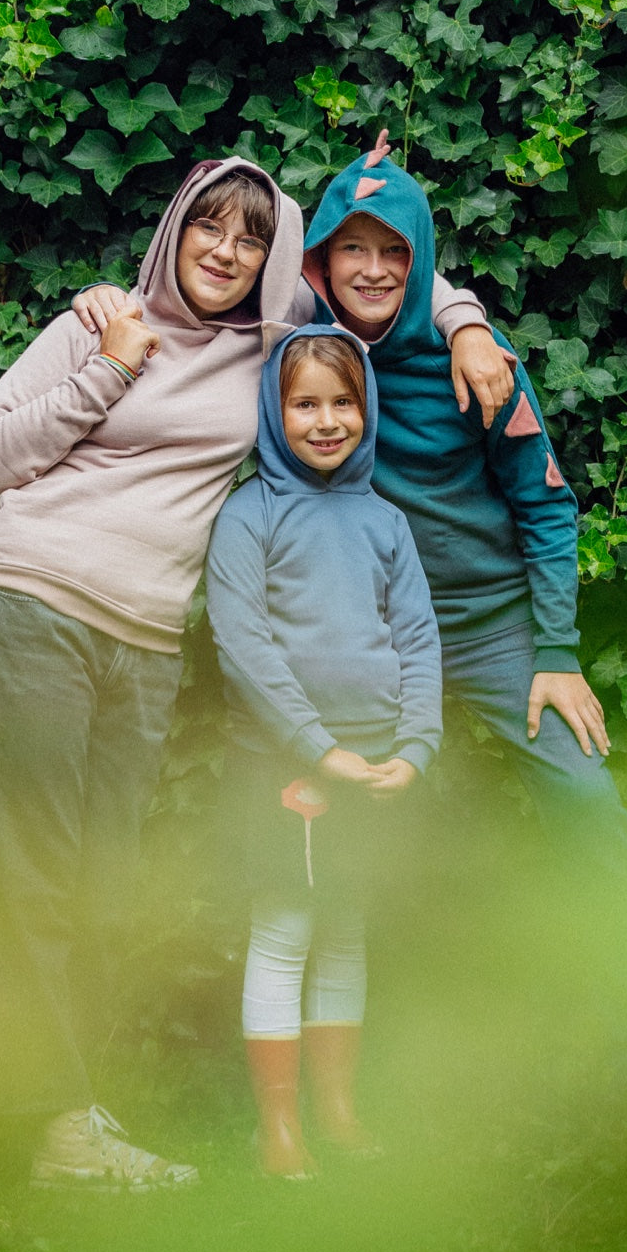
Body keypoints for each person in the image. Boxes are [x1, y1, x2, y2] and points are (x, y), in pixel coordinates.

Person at [0, 154, 509, 1193]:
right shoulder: (95, 325)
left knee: (100, 877)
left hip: (145, 644)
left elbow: (381, 273)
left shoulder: (272, 337)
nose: (228, 250)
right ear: (174, 230)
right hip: (27, 606)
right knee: (31, 871)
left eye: (252, 237)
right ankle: (53, 1128)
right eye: (210, 226)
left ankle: (65, 1112)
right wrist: (110, 366)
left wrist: (467, 320)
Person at [297, 132, 627, 1119]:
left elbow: (547, 506)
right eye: (350, 248)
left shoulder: (479, 368)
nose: (373, 268)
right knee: (328, 829)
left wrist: (559, 655)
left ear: (423, 257)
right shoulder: (301, 365)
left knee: (588, 805)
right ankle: (346, 1089)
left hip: (494, 634)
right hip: (376, 649)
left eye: (393, 249)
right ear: (318, 263)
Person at [205, 325, 442, 1177]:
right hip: (285, 767)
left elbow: (418, 639)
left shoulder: (385, 521)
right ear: (275, 410)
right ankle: (278, 1129)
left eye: (344, 402)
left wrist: (413, 748)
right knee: (286, 928)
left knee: (347, 929)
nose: (327, 421)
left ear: (366, 409)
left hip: (377, 764)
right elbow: (245, 646)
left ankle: (338, 1109)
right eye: (305, 403)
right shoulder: (249, 514)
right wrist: (319, 751)